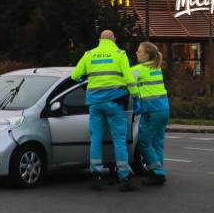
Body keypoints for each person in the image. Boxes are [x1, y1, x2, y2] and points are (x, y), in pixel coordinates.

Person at [71, 30, 139, 192]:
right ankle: (124, 176)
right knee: (119, 140)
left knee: (96, 139)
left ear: (99, 40)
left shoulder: (89, 54)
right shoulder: (119, 54)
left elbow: (75, 75)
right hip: (115, 103)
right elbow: (129, 78)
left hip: (95, 104)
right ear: (114, 39)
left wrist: (86, 84)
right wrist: (135, 96)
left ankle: (97, 175)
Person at [131, 41, 169, 186]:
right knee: (157, 143)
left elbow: (122, 79)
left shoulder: (138, 69)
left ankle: (158, 173)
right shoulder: (156, 67)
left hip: (151, 110)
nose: (136, 53)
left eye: (139, 51)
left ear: (147, 54)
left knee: (144, 143)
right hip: (164, 109)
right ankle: (158, 172)